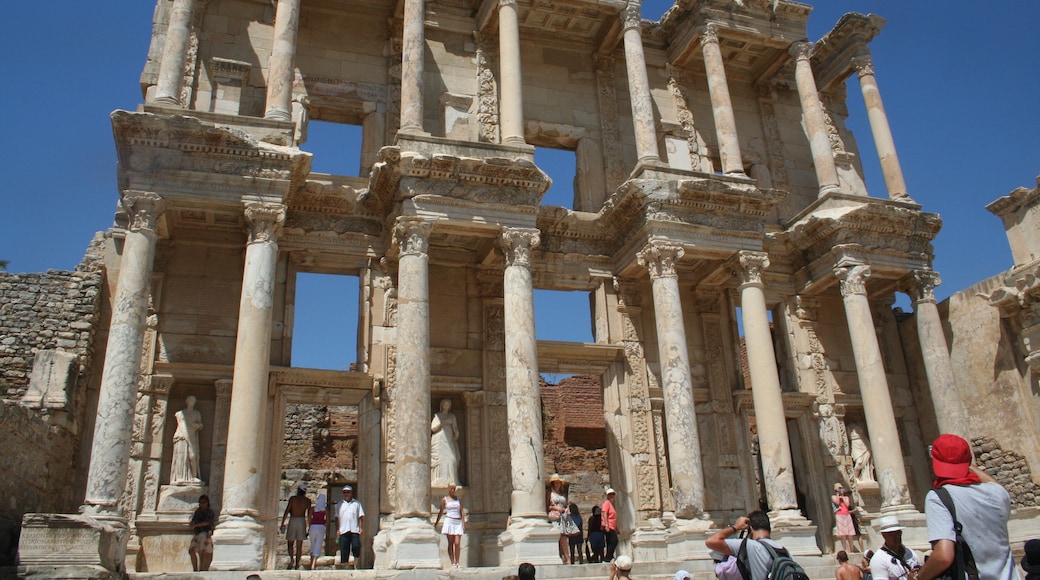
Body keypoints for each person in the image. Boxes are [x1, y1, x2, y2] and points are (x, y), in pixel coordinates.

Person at [917, 434, 1018, 580]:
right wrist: (964, 463)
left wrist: (919, 577)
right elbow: (997, 486)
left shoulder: (938, 498)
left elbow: (943, 556)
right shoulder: (997, 493)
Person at [705, 510, 787, 580]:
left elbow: (711, 541)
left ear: (750, 528)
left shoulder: (750, 546)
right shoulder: (783, 550)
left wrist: (736, 527)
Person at [868, 515, 920, 580]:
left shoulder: (911, 553)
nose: (897, 537)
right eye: (892, 534)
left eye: (898, 533)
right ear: (884, 535)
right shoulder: (878, 559)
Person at [547, 474, 579, 563]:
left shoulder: (562, 494)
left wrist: (566, 509)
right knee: (558, 537)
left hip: (563, 516)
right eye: (556, 483)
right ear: (553, 483)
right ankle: (562, 557)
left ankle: (566, 558)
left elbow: (565, 504)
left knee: (564, 537)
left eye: (558, 483)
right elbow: (547, 506)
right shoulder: (550, 494)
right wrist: (556, 508)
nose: (557, 484)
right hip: (555, 516)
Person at [172, 396, 203, 484]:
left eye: (193, 401)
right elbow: (182, 425)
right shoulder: (180, 413)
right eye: (190, 400)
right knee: (181, 457)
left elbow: (200, 425)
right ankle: (180, 477)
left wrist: (196, 425)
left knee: (192, 456)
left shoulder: (197, 413)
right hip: (182, 436)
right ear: (187, 401)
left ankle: (193, 476)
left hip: (192, 436)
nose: (191, 402)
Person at [431, 399, 461, 488]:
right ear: (442, 406)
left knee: (452, 459)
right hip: (439, 439)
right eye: (445, 404)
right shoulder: (437, 416)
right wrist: (443, 423)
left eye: (448, 405)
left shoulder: (452, 416)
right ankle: (438, 479)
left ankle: (452, 480)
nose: (446, 406)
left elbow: (455, 429)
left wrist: (456, 434)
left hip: (449, 438)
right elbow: (433, 428)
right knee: (440, 459)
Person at [434, 483, 465, 569]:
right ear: (448, 489)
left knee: (457, 543)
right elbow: (441, 511)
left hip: (457, 521)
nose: (453, 490)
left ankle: (458, 561)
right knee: (451, 543)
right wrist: (437, 522)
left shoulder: (458, 499)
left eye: (454, 489)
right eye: (451, 488)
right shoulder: (445, 500)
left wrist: (463, 523)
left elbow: (462, 512)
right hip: (449, 520)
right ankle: (453, 562)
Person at [280, 484, 312, 569]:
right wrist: (309, 526)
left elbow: (287, 511)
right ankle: (297, 563)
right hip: (302, 521)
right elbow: (309, 514)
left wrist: (283, 522)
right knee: (299, 544)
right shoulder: (307, 501)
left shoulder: (293, 499)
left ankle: (291, 559)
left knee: (290, 543)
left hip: (293, 520)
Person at [337, 484, 365, 568]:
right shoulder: (339, 504)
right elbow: (336, 517)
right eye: (344, 492)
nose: (346, 494)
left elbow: (360, 516)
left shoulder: (357, 503)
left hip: (354, 529)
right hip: (343, 529)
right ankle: (345, 566)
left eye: (348, 492)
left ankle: (356, 564)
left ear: (351, 493)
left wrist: (361, 527)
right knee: (344, 548)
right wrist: (337, 529)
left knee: (356, 546)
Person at [188, 494, 215, 572]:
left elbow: (207, 522)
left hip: (205, 533)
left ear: (207, 503)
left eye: (203, 502)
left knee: (203, 553)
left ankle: (202, 570)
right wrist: (192, 523)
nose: (202, 504)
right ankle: (195, 569)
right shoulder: (197, 511)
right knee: (191, 550)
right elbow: (193, 520)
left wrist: (196, 525)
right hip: (197, 534)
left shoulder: (209, 512)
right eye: (200, 503)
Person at [833, 483, 857, 554]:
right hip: (839, 515)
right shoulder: (834, 497)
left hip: (846, 514)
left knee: (850, 533)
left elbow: (847, 504)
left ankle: (851, 549)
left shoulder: (846, 498)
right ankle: (845, 549)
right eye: (839, 488)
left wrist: (843, 497)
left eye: (841, 488)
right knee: (842, 534)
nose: (840, 489)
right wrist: (838, 494)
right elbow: (837, 503)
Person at [308, 493, 328, 570]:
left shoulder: (313, 508)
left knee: (313, 543)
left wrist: (309, 526)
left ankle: (311, 560)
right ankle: (313, 563)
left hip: (313, 526)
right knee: (318, 544)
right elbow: (327, 519)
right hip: (321, 526)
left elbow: (309, 518)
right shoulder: (325, 509)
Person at [602, 488, 619, 562]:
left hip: (612, 526)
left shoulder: (611, 504)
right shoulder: (606, 503)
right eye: (610, 494)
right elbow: (605, 513)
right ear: (607, 496)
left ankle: (609, 557)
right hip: (609, 526)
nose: (612, 496)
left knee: (610, 542)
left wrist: (616, 528)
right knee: (614, 541)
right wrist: (606, 525)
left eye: (613, 494)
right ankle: (608, 557)